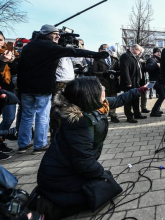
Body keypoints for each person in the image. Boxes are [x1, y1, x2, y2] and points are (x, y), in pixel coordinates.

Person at [36, 77, 148, 219]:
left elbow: (119, 100)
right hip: (59, 178)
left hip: (72, 168)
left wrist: (139, 91)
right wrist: (102, 174)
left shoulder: (95, 106)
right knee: (102, 191)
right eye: (100, 88)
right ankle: (44, 209)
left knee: (105, 184)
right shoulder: (78, 123)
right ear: (89, 95)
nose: (104, 89)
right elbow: (84, 162)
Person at [17, 24, 107, 154]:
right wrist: (96, 54)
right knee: (42, 114)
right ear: (48, 34)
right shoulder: (50, 46)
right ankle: (40, 144)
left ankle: (23, 144)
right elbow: (73, 52)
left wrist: (20, 87)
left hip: (26, 87)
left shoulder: (28, 46)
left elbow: (20, 67)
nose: (58, 36)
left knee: (27, 115)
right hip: (43, 86)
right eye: (56, 34)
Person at [0, 31, 18, 160]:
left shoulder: (10, 52)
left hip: (8, 90)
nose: (0, 42)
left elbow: (16, 71)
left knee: (9, 118)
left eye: (1, 39)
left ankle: (1, 141)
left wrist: (11, 62)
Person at [93, 44, 121, 123]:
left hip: (113, 83)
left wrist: (115, 73)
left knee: (113, 99)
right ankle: (103, 116)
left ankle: (113, 115)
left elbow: (119, 70)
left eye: (108, 49)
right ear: (101, 50)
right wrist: (105, 73)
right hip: (103, 83)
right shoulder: (97, 59)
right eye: (105, 49)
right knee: (103, 100)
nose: (107, 50)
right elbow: (94, 72)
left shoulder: (114, 59)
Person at [120, 44, 147, 123]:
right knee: (128, 100)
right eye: (139, 51)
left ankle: (137, 113)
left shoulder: (135, 57)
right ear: (134, 49)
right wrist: (128, 81)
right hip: (129, 83)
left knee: (136, 98)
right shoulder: (125, 56)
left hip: (136, 82)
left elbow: (139, 70)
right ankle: (129, 116)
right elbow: (125, 70)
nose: (140, 53)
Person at [146, 48, 165, 117]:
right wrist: (156, 65)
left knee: (163, 95)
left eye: (160, 52)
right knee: (162, 96)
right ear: (154, 53)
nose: (159, 53)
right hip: (155, 81)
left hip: (160, 81)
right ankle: (154, 111)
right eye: (157, 52)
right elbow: (148, 68)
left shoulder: (158, 59)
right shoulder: (151, 60)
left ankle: (157, 109)